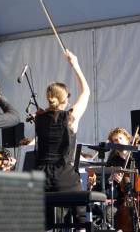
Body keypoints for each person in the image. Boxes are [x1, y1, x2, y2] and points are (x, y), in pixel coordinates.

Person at [34, 49, 90, 230]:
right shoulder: (70, 118)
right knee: (80, 211)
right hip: (64, 177)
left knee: (45, 220)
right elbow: (86, 91)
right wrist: (75, 64)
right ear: (65, 99)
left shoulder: (39, 118)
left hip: (41, 178)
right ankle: (81, 227)